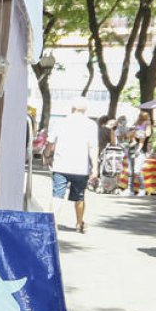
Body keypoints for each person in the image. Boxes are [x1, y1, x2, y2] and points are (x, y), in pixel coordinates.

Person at [46, 98, 99, 233]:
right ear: (85, 109)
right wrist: (95, 168)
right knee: (80, 197)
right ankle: (79, 223)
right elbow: (93, 147)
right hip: (80, 167)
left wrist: (47, 155)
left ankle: (53, 224)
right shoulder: (91, 125)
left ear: (72, 108)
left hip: (61, 165)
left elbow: (50, 142)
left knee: (57, 195)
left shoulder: (60, 122)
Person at [126, 111, 152, 196]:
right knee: (130, 171)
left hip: (140, 150)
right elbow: (128, 134)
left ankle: (142, 189)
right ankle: (130, 190)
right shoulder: (136, 123)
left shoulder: (147, 124)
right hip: (131, 148)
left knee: (137, 170)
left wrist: (141, 131)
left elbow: (147, 134)